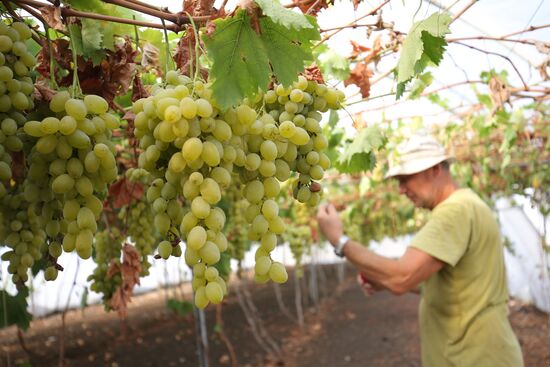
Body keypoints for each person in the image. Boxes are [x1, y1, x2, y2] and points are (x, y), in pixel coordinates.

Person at [316, 134, 524, 367]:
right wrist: (381, 280)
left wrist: (339, 240)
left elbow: (400, 277)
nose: (401, 189)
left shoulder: (454, 212)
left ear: (434, 169)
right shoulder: (467, 205)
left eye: (405, 178)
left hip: (474, 358)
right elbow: (452, 286)